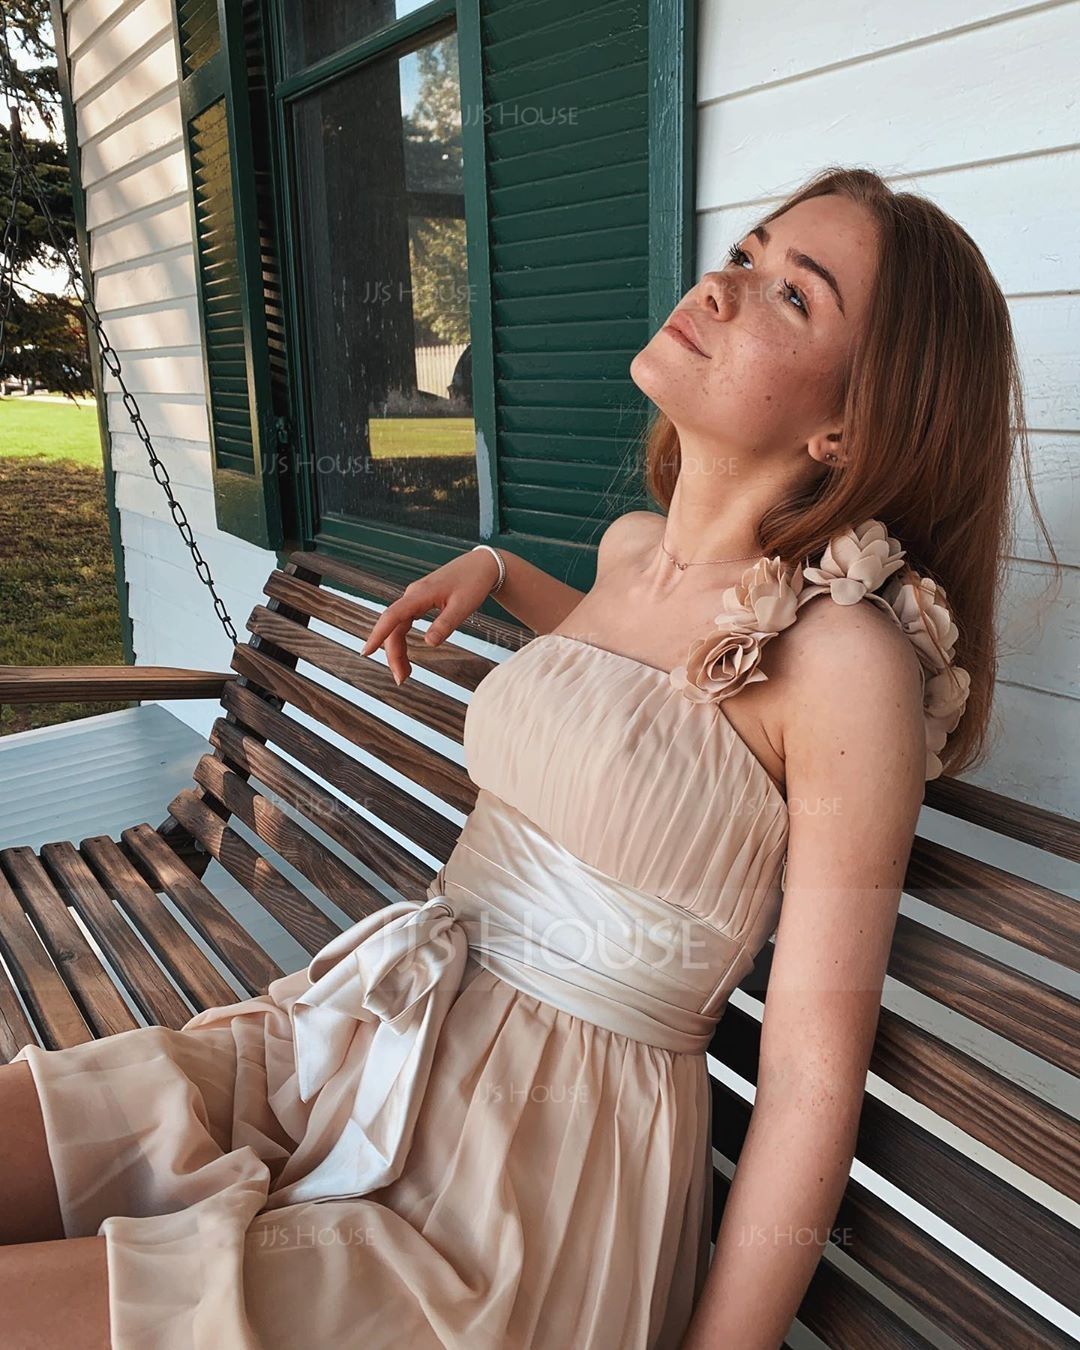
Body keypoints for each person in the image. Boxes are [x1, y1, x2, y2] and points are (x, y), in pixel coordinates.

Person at [0, 165, 1051, 1350]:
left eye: (793, 295)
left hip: (531, 1180)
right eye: (746, 254)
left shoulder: (844, 661)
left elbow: (811, 1078)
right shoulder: (632, 550)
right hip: (376, 1030)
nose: (722, 285)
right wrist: (497, 570)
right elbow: (630, 678)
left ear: (847, 428)